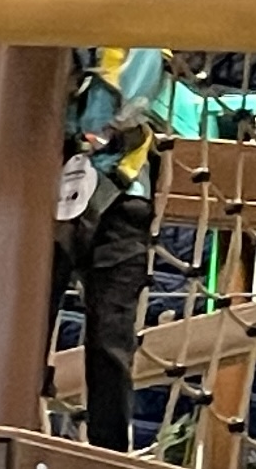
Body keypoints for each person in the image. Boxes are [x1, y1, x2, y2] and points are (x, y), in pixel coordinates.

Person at [47, 45, 170, 453]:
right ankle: (23, 406)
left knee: (111, 339)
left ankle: (108, 452)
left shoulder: (140, 34)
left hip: (115, 191)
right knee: (38, 317)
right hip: (71, 186)